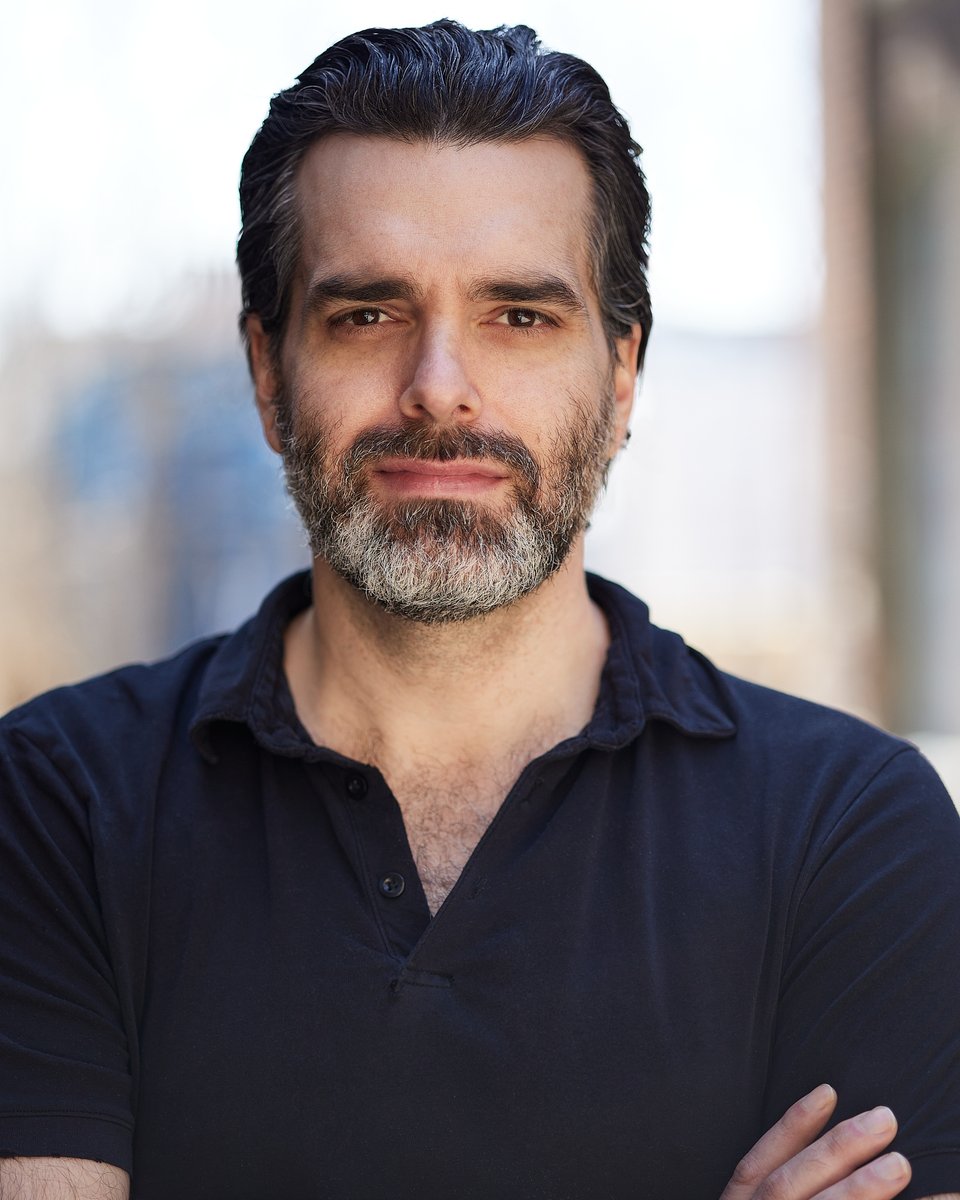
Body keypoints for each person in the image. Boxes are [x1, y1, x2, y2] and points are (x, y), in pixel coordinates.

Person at [1, 20, 958, 1200]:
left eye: (519, 316)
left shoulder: (848, 833)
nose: (440, 388)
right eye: (367, 314)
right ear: (265, 369)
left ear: (620, 377)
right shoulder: (55, 803)